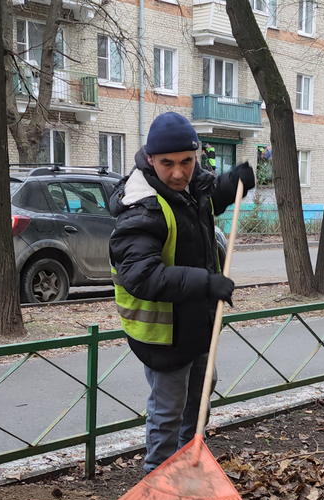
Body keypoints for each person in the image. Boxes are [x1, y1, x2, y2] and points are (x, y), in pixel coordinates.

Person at [109, 112, 255, 474]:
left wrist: (231, 184)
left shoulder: (191, 187)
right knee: (168, 412)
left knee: (202, 393)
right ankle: (157, 483)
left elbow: (200, 207)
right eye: (168, 164)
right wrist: (206, 282)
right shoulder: (141, 209)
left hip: (196, 325)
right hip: (163, 337)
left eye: (187, 162)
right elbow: (142, 276)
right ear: (150, 159)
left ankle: (188, 464)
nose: (178, 173)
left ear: (197, 156)